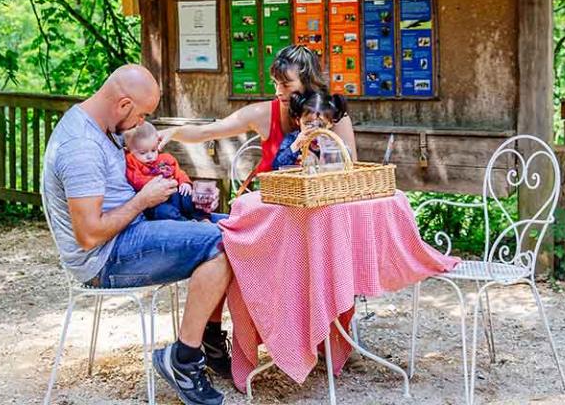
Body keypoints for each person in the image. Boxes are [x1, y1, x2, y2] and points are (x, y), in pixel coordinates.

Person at [42, 65, 231, 405]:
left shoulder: (105, 127)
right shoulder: (80, 145)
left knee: (236, 226)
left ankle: (211, 339)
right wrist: (144, 199)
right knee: (221, 242)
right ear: (124, 104)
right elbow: (88, 235)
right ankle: (184, 360)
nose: (141, 123)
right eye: (141, 114)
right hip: (104, 257)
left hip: (136, 228)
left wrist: (188, 200)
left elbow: (138, 169)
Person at [156, 45, 357, 172]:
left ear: (308, 82)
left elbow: (352, 170)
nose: (278, 92)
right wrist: (173, 131)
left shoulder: (335, 116)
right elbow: (207, 131)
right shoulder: (265, 113)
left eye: (286, 84)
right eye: (275, 83)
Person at [124, 121, 222, 222]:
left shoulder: (166, 159)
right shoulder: (131, 161)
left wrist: (184, 182)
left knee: (190, 196)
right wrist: (160, 181)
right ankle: (187, 223)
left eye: (154, 150)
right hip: (156, 202)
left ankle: (202, 218)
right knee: (165, 213)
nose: (150, 156)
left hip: (175, 195)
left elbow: (178, 172)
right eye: (143, 152)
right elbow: (135, 179)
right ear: (129, 150)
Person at [272, 90, 348, 170]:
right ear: (298, 120)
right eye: (308, 124)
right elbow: (276, 166)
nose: (314, 130)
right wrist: (296, 146)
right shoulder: (292, 139)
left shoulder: (332, 143)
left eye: (321, 125)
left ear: (330, 123)